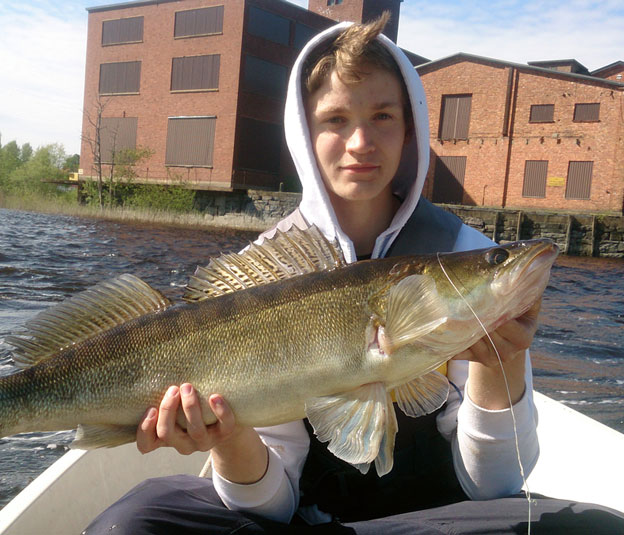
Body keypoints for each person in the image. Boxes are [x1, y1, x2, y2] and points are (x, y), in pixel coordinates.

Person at [84, 15, 624, 534]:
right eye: (336, 120)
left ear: (411, 127)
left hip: (439, 521)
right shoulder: (265, 276)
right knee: (134, 522)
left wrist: (502, 363)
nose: (361, 142)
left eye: (382, 116)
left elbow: (496, 487)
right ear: (304, 133)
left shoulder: (464, 251)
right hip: (301, 519)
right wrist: (228, 438)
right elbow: (268, 510)